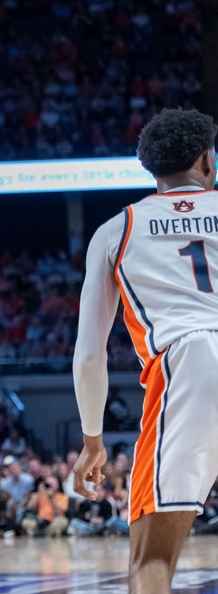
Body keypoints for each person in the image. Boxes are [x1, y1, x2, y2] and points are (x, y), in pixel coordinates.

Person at [72, 109, 218, 593]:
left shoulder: (117, 231)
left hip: (189, 364)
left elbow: (90, 355)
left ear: (150, 170)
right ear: (207, 161)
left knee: (150, 558)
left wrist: (93, 442)